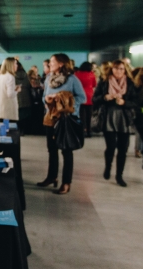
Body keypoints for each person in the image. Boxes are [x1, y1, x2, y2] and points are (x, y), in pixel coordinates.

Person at [37, 53, 86, 195]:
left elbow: (82, 97)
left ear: (61, 64)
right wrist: (47, 100)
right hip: (50, 118)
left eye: (52, 62)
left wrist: (64, 101)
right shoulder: (48, 79)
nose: (49, 64)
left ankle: (66, 182)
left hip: (66, 120)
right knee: (51, 150)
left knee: (66, 151)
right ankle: (52, 177)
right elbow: (43, 97)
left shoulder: (72, 79)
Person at [92, 60, 137, 187]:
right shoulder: (104, 82)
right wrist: (104, 97)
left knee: (123, 149)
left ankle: (119, 176)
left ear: (125, 70)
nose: (118, 71)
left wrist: (124, 103)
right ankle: (108, 167)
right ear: (111, 70)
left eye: (121, 69)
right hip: (108, 117)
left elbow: (135, 102)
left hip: (124, 118)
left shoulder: (130, 83)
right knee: (111, 147)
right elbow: (94, 99)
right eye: (116, 68)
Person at [75, 62, 97, 137]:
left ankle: (82, 130)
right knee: (89, 115)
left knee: (81, 115)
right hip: (89, 95)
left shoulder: (77, 74)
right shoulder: (92, 74)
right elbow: (94, 84)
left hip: (80, 95)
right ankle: (89, 131)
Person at [0, 57, 21, 122]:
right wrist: (17, 90)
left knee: (3, 130)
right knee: (10, 130)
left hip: (1, 110)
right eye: (15, 64)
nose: (17, 65)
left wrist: (13, 88)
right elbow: (10, 94)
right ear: (11, 65)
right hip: (9, 111)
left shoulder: (1, 76)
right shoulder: (10, 77)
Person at [14, 60, 32, 135]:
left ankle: (18, 129)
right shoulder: (26, 75)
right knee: (24, 115)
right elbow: (29, 85)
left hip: (17, 96)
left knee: (17, 115)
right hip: (26, 96)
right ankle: (23, 130)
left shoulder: (13, 75)